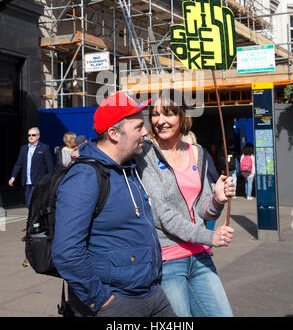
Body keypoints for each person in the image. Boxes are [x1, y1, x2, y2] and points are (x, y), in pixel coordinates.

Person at [51, 92, 176, 317]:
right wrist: (102, 301)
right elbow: (66, 251)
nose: (146, 131)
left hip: (152, 294)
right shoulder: (85, 177)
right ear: (114, 134)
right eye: (139, 127)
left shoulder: (128, 170)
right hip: (117, 302)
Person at [135, 89, 235, 317]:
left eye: (168, 113)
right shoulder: (145, 154)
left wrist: (217, 200)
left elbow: (203, 210)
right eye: (155, 114)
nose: (161, 121)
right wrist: (210, 236)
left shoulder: (197, 152)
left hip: (200, 254)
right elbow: (162, 215)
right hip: (168, 258)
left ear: (182, 116)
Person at [8, 127, 54, 208]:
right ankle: (35, 219)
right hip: (27, 181)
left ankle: (34, 219)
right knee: (28, 204)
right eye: (29, 135)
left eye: (33, 135)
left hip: (38, 181)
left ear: (38, 136)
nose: (31, 137)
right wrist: (13, 177)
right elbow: (18, 164)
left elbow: (50, 165)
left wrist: (50, 180)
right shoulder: (24, 148)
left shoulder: (44, 148)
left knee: (31, 203)